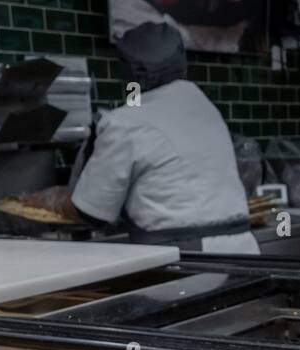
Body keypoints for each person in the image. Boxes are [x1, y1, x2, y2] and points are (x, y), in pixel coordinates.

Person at [23, 22, 259, 254]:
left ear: (128, 72)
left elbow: (92, 213)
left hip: (187, 256)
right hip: (242, 249)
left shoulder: (126, 122)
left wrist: (51, 200)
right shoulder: (203, 106)